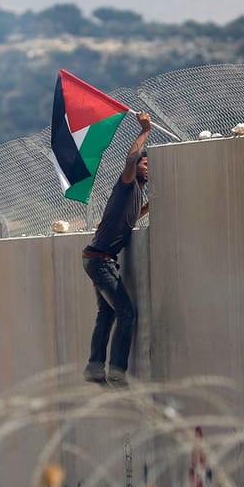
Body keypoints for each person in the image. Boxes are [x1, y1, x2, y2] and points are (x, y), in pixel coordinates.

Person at [81, 111, 152, 389]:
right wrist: (144, 130)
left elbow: (127, 221)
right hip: (101, 262)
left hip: (97, 259)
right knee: (126, 313)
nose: (147, 168)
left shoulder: (134, 196)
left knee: (107, 313)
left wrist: (148, 208)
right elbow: (130, 160)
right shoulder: (127, 185)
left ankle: (94, 368)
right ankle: (117, 373)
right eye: (145, 163)